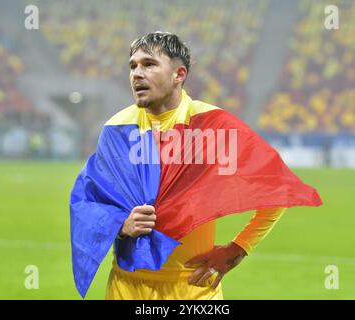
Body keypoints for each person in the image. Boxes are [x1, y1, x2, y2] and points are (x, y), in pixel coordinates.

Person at [70, 32, 322, 300]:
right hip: (126, 287)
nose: (137, 73)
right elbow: (90, 202)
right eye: (133, 66)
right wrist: (120, 224)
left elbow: (275, 189)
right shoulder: (117, 129)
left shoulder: (212, 128)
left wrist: (238, 248)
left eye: (149, 64)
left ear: (179, 74)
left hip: (192, 289)